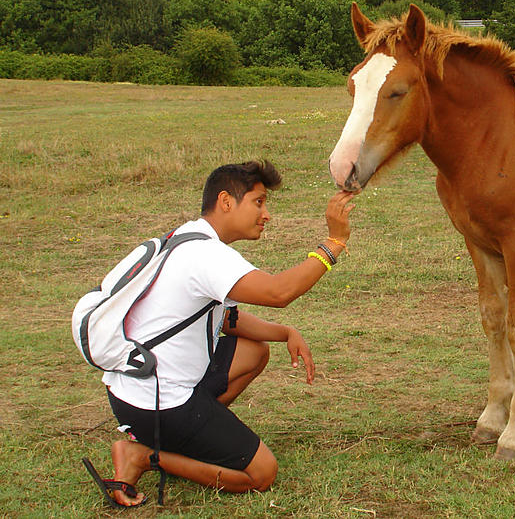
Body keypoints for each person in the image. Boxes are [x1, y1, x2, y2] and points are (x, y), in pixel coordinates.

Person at [84, 160, 354, 507]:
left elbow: (227, 320)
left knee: (255, 351)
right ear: (226, 201)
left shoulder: (186, 238)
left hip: (132, 389)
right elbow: (278, 293)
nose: (267, 214)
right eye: (258, 202)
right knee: (261, 473)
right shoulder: (206, 256)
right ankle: (145, 455)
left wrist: (285, 333)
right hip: (158, 402)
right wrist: (333, 243)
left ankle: (189, 434)